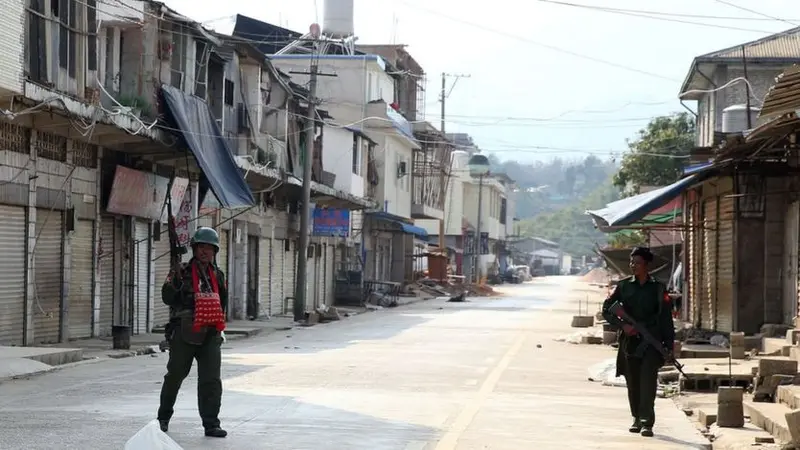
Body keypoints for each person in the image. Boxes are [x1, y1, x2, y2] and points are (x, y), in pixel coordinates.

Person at [157, 227, 229, 438]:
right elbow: (167, 298)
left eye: (209, 248)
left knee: (211, 380)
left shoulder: (218, 275)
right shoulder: (181, 271)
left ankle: (211, 424)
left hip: (210, 333)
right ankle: (163, 418)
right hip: (185, 331)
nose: (205, 252)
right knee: (175, 376)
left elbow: (221, 302)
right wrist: (176, 283)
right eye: (201, 247)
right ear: (195, 249)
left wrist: (218, 328)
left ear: (215, 251)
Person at [602, 247, 674, 438]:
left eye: (638, 263)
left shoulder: (658, 288)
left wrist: (669, 345)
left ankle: (647, 422)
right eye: (632, 262)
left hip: (651, 341)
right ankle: (636, 418)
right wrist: (622, 325)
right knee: (633, 382)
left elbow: (666, 318)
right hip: (630, 342)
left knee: (648, 383)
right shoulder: (624, 286)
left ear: (647, 265)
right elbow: (606, 309)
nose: (633, 266)